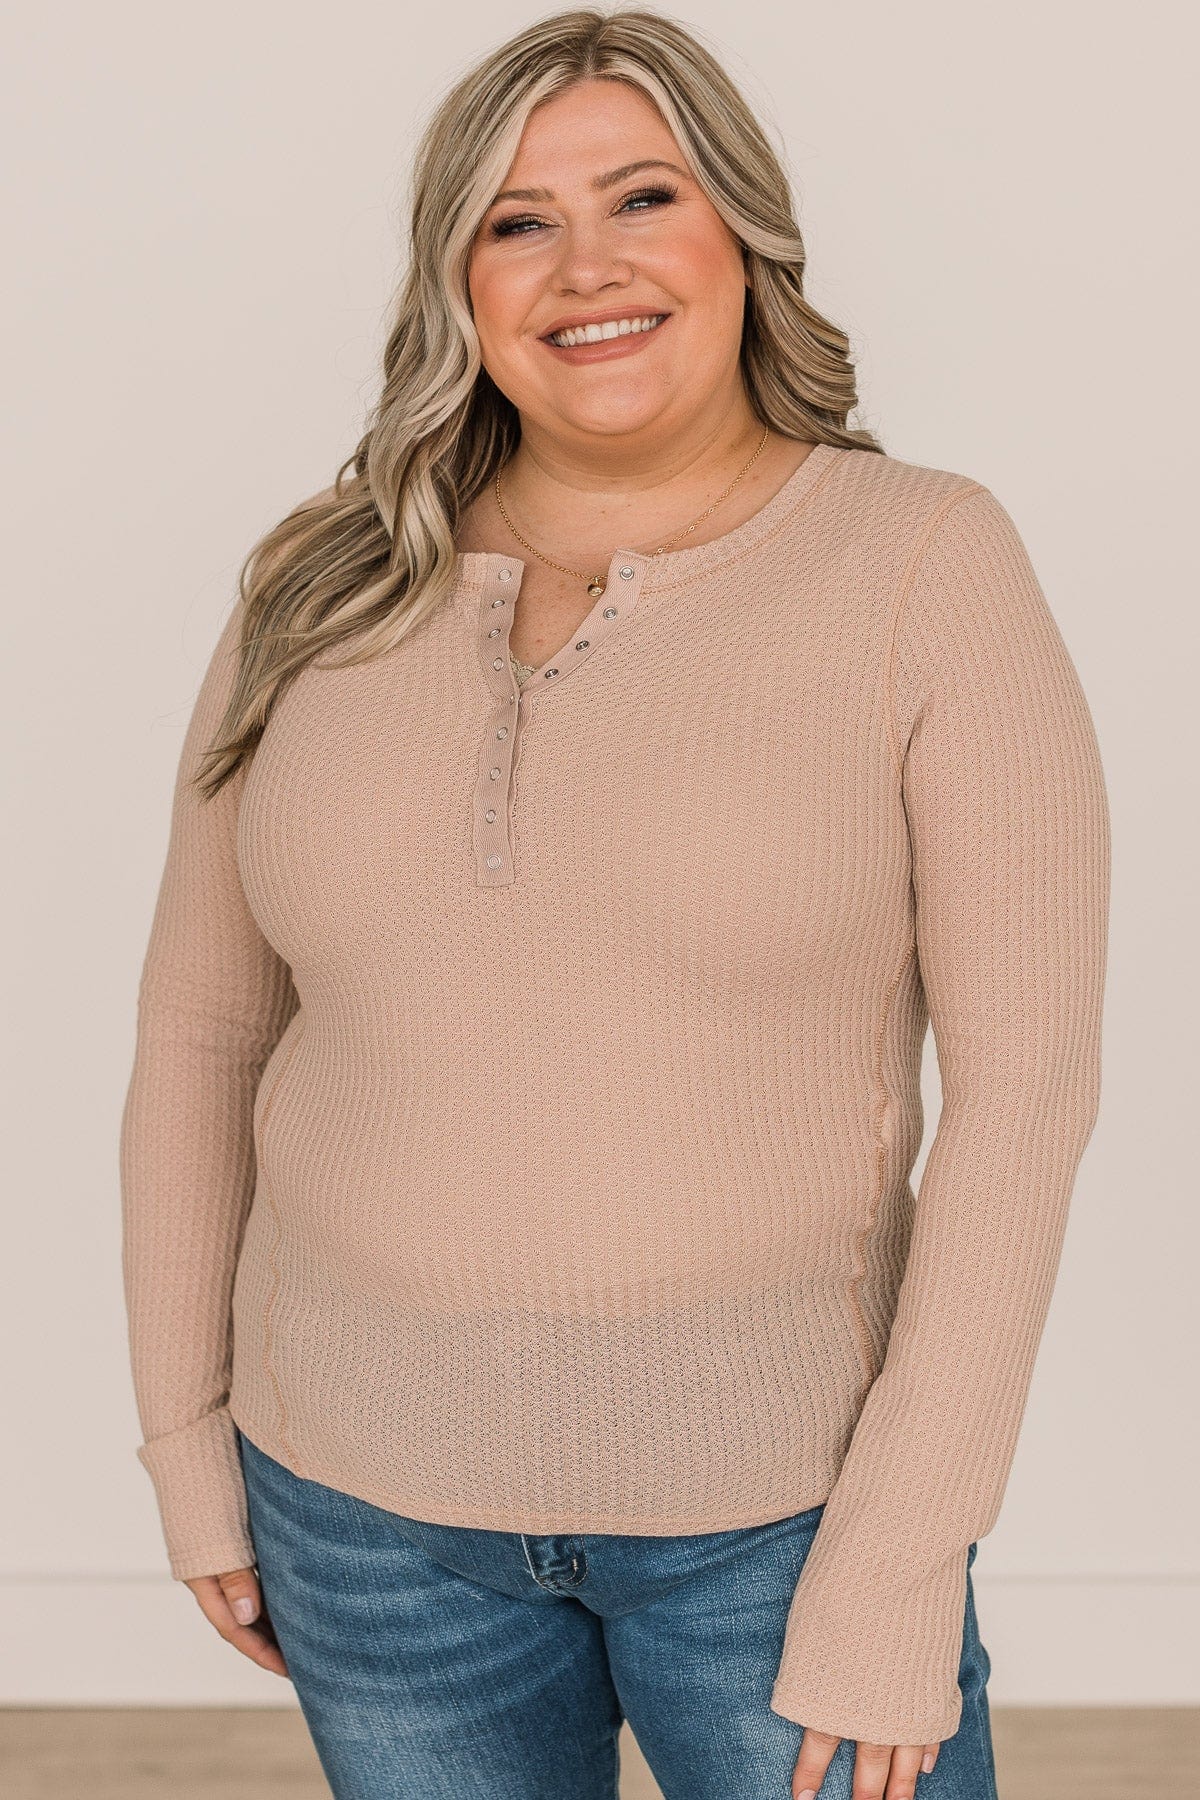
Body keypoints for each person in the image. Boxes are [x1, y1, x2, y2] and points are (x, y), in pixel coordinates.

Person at [119, 10, 1110, 1800]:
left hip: (786, 1527)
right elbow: (200, 1034)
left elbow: (1025, 1094)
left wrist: (900, 1557)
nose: (587, 267)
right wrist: (188, 1440)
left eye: (643, 196)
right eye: (518, 221)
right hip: (357, 1520)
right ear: (459, 281)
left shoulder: (923, 565)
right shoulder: (317, 584)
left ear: (744, 229)